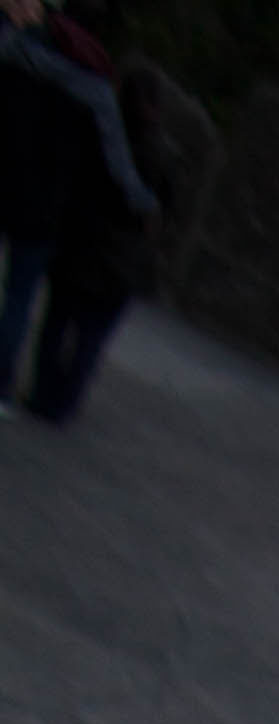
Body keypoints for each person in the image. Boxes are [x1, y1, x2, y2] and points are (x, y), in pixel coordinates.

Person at [0, 0, 156, 421]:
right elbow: (116, 157)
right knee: (18, 297)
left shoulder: (16, 52)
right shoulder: (94, 83)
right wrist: (144, 201)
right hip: (45, 204)